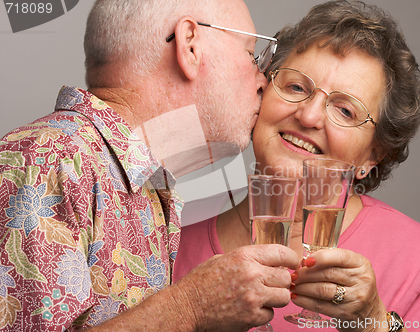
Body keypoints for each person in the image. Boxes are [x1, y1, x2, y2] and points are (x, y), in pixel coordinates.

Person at [174, 1, 420, 331]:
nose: (309, 116)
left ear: (373, 155)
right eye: (295, 87)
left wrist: (375, 323)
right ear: (262, 88)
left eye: (345, 111)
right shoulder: (171, 238)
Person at [0, 0, 300, 331]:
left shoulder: (144, 185)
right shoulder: (46, 160)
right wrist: (190, 307)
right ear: (189, 45)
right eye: (251, 53)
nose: (263, 79)